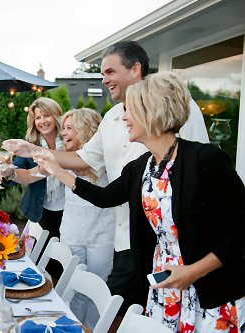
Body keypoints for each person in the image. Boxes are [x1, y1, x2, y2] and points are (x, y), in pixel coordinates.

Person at [3, 41, 209, 322]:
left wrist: (197, 266)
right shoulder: (120, 130)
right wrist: (33, 152)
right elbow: (91, 169)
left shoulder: (192, 133)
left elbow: (202, 190)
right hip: (127, 240)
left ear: (135, 69)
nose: (104, 79)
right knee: (124, 314)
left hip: (180, 247)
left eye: (110, 71)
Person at [36, 72, 245, 332]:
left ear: (152, 111)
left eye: (131, 109)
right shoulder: (141, 167)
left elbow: (241, 230)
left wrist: (193, 271)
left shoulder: (205, 159)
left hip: (208, 289)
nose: (124, 117)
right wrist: (59, 172)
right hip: (163, 285)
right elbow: (105, 197)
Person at [58, 108, 115, 329]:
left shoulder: (105, 156)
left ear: (86, 129)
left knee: (97, 289)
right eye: (64, 128)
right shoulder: (62, 158)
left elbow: (94, 173)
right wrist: (12, 174)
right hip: (73, 232)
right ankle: (71, 328)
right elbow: (32, 174)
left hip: (103, 233)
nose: (63, 133)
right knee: (74, 289)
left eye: (70, 128)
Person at [4, 97, 65, 279]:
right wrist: (7, 171)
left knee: (63, 262)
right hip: (42, 210)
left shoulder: (69, 140)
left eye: (47, 115)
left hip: (69, 211)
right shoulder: (30, 145)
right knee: (41, 261)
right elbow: (16, 173)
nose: (42, 121)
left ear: (56, 117)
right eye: (38, 117)